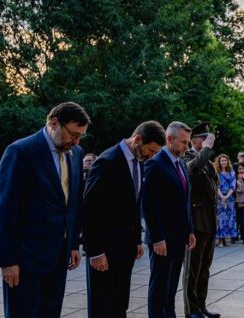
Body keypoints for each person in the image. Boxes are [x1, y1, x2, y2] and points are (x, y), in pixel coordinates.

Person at [0, 102, 89, 317]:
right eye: (73, 134)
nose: (76, 141)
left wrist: (73, 243)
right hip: (26, 257)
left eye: (80, 136)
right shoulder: (21, 151)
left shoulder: (76, 152)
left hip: (59, 254)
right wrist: (7, 260)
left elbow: (72, 204)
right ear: (54, 123)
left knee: (51, 311)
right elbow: (5, 210)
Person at [81, 121, 165, 317]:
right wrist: (95, 251)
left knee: (120, 304)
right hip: (104, 249)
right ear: (137, 139)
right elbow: (90, 208)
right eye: (150, 150)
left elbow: (133, 204)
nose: (151, 156)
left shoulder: (139, 163)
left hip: (125, 249)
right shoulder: (107, 161)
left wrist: (136, 240)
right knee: (102, 306)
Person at [142, 121, 197, 318]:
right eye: (183, 142)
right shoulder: (154, 164)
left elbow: (185, 199)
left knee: (172, 286)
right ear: (169, 139)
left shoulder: (181, 163)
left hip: (179, 237)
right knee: (159, 286)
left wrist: (190, 230)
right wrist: (157, 237)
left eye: (188, 142)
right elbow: (149, 205)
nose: (186, 147)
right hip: (162, 240)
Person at [181, 122, 220, 318]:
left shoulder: (208, 162)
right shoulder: (187, 157)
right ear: (194, 141)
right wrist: (205, 150)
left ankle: (201, 306)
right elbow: (191, 170)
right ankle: (191, 310)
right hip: (196, 222)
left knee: (204, 269)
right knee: (192, 270)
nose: (207, 142)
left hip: (209, 221)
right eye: (203, 139)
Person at [215, 154, 237, 247]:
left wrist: (226, 196)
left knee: (229, 219)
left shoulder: (231, 172)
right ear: (219, 162)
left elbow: (233, 185)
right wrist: (222, 197)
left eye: (225, 160)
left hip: (229, 198)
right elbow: (216, 186)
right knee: (220, 219)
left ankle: (225, 239)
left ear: (228, 161)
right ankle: (220, 240)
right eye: (222, 161)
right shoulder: (216, 172)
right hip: (219, 197)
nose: (223, 162)